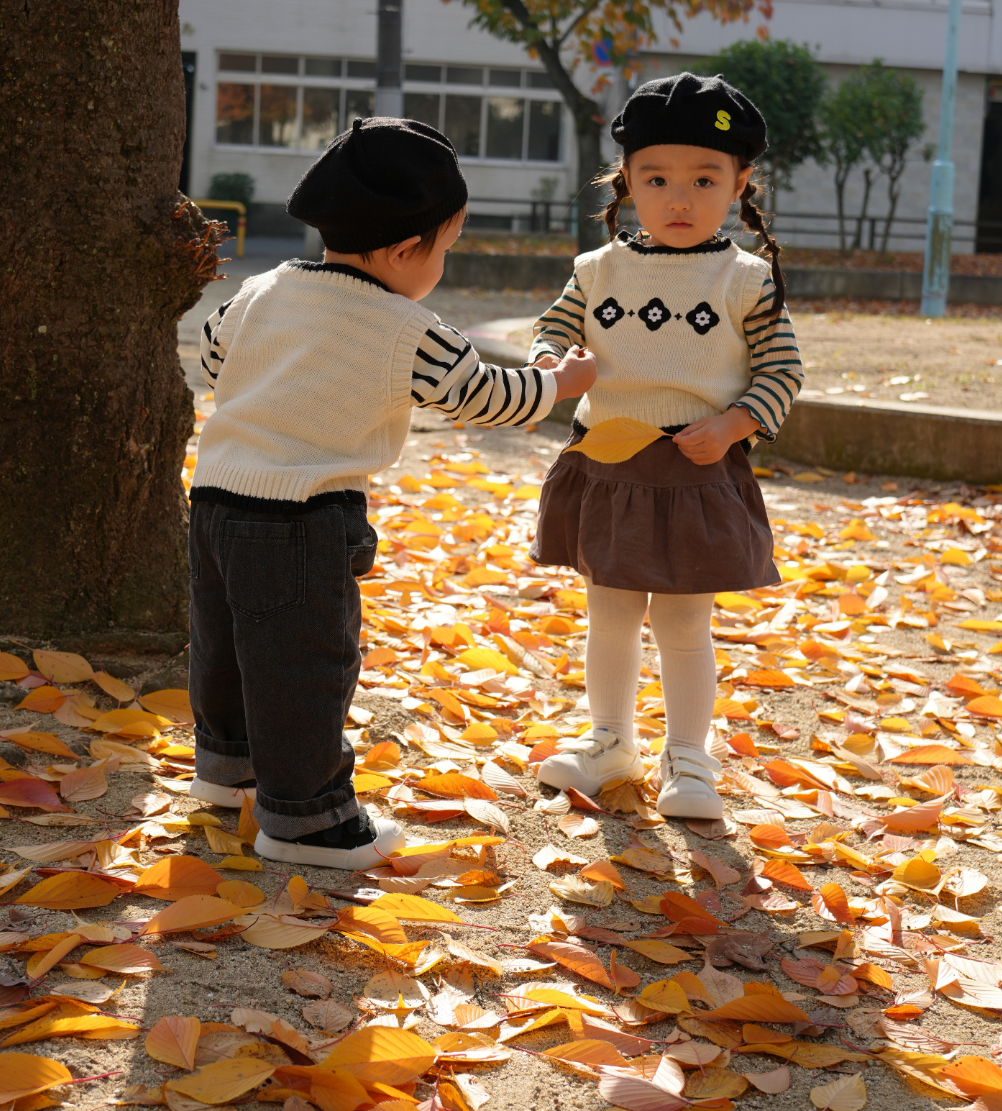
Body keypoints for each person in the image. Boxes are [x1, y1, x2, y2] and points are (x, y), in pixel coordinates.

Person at [188, 117, 596, 869]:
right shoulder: (407, 327)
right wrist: (559, 384)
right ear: (410, 249)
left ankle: (227, 768)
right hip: (301, 518)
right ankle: (307, 819)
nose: (441, 265)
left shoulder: (263, 290)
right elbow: (483, 396)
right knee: (305, 661)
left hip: (214, 499)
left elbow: (215, 357)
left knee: (227, 645)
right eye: (446, 249)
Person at [528, 73, 804, 819]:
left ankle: (689, 758)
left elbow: (784, 371)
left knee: (684, 621)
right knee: (610, 611)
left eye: (704, 179)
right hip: (609, 465)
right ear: (628, 181)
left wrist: (734, 424)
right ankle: (610, 740)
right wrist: (555, 368)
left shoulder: (748, 280)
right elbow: (553, 333)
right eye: (657, 179)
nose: (679, 199)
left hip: (696, 467)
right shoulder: (597, 269)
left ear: (741, 183)